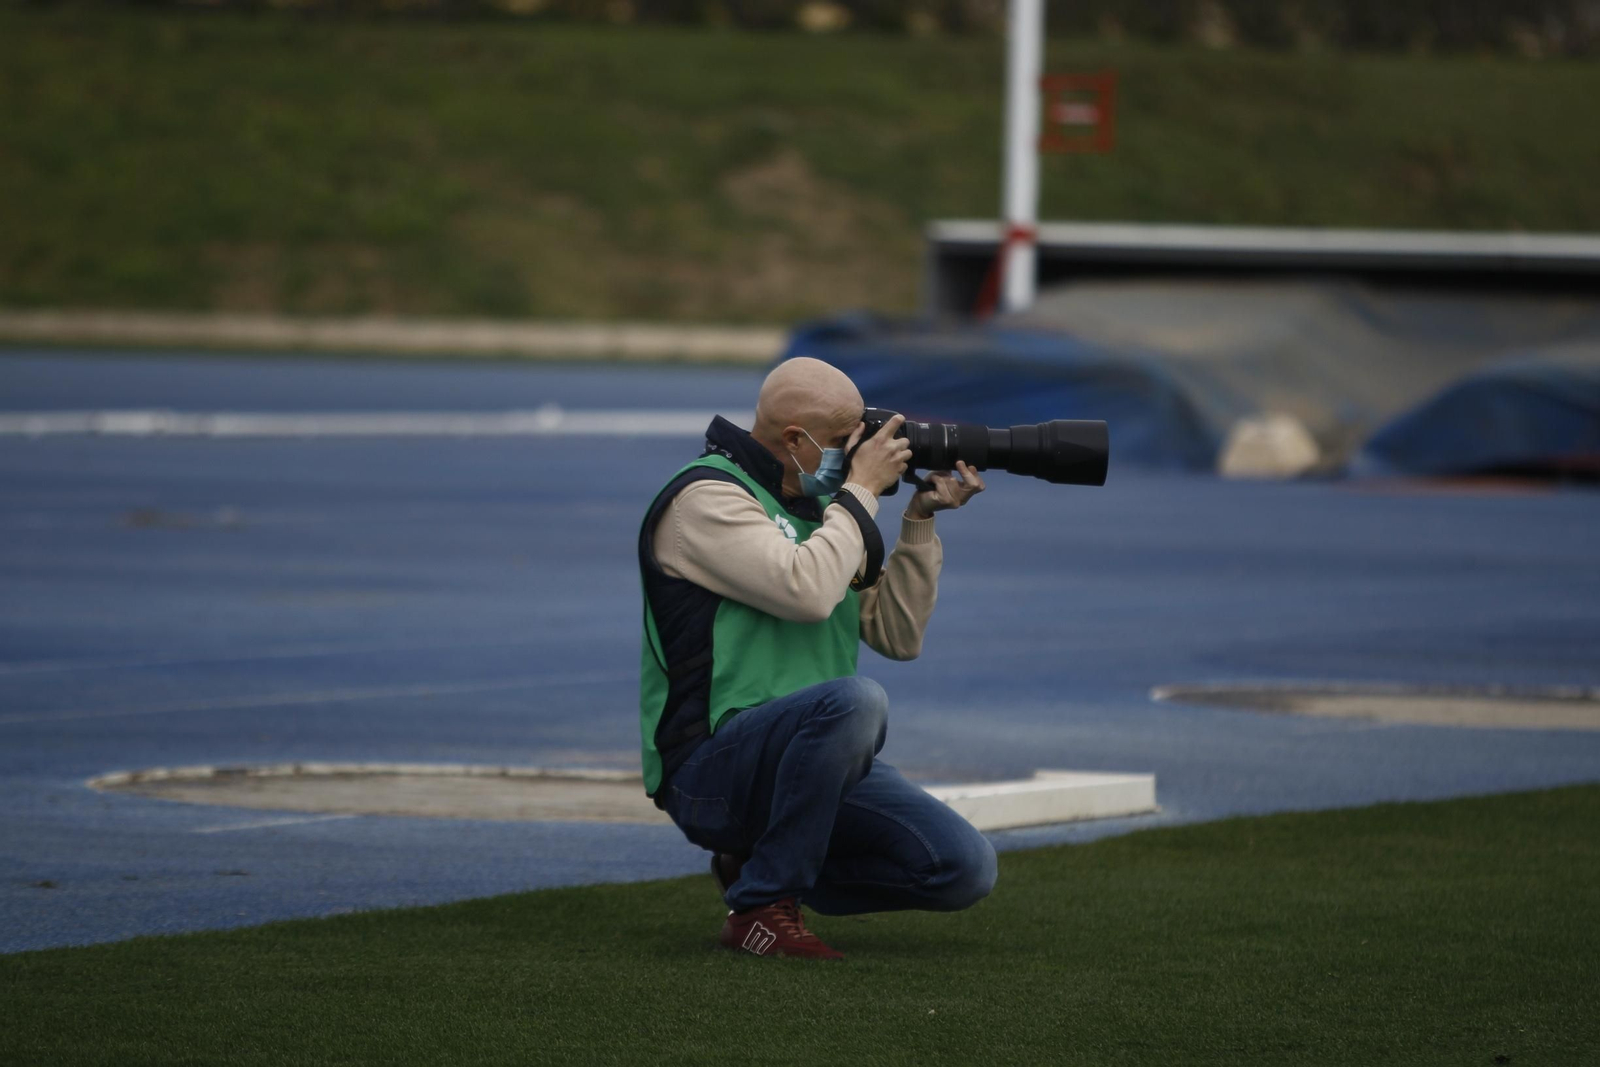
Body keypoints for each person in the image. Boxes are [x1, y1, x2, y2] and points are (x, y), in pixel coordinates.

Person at [637, 356, 996, 960]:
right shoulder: (705, 498)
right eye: (842, 442)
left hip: (813, 763)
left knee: (962, 868)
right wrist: (859, 491)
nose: (856, 454)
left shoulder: (827, 506)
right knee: (856, 700)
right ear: (796, 440)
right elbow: (805, 591)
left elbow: (898, 637)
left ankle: (756, 866)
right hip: (710, 772)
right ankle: (761, 908)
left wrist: (917, 521)